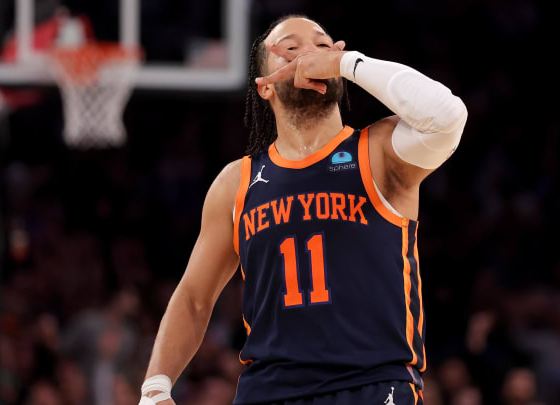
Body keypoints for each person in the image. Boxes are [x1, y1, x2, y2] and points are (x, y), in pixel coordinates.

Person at [138, 14, 467, 405]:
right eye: (290, 49)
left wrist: (348, 63)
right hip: (268, 392)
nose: (308, 53)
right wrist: (154, 388)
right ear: (264, 87)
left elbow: (448, 116)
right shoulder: (237, 183)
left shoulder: (379, 152)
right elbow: (194, 296)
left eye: (322, 46)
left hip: (372, 388)